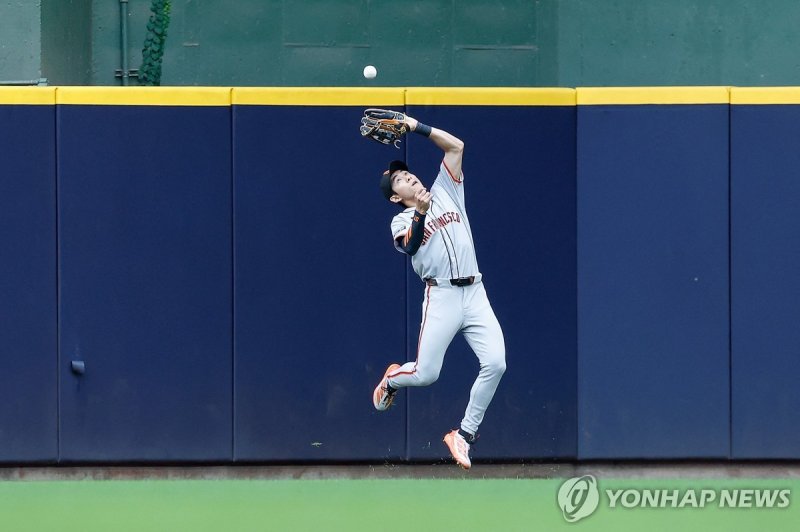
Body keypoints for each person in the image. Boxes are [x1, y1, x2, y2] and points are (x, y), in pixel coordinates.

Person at [372, 113, 506, 470]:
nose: (407, 177)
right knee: (426, 374)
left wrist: (416, 126)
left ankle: (463, 435)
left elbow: (456, 146)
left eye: (406, 172)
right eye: (398, 179)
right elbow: (410, 247)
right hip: (442, 297)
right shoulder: (400, 220)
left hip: (475, 292)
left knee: (496, 363)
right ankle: (391, 379)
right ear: (394, 197)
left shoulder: (446, 189)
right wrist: (420, 213)